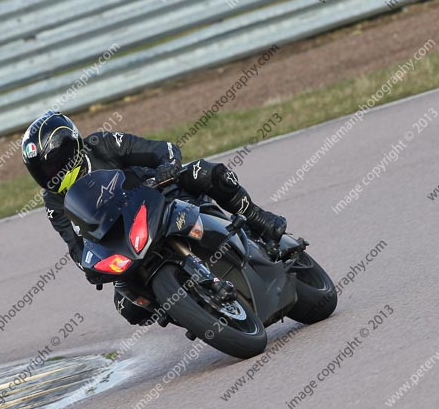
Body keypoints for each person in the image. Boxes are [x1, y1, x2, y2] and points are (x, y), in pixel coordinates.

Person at [22, 110, 286, 325]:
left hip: (163, 197)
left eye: (52, 164)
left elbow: (163, 150)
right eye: (41, 170)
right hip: (125, 241)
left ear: (71, 148)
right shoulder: (53, 202)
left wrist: (165, 169)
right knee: (128, 306)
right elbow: (76, 248)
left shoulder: (101, 145)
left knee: (205, 173)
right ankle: (190, 309)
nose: (49, 174)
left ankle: (257, 218)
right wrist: (91, 268)